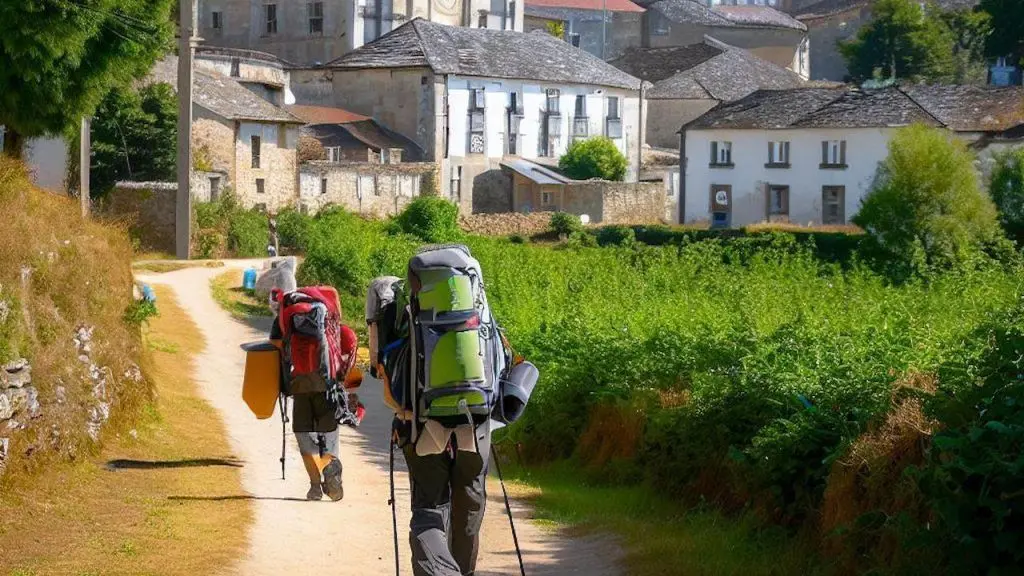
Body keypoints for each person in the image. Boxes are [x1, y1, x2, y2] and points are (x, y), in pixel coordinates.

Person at [269, 285, 348, 502]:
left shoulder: (287, 314)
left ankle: (314, 486)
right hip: (327, 384)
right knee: (328, 433)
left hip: (299, 385)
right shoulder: (328, 312)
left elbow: (275, 343)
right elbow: (344, 340)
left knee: (303, 434)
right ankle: (330, 466)